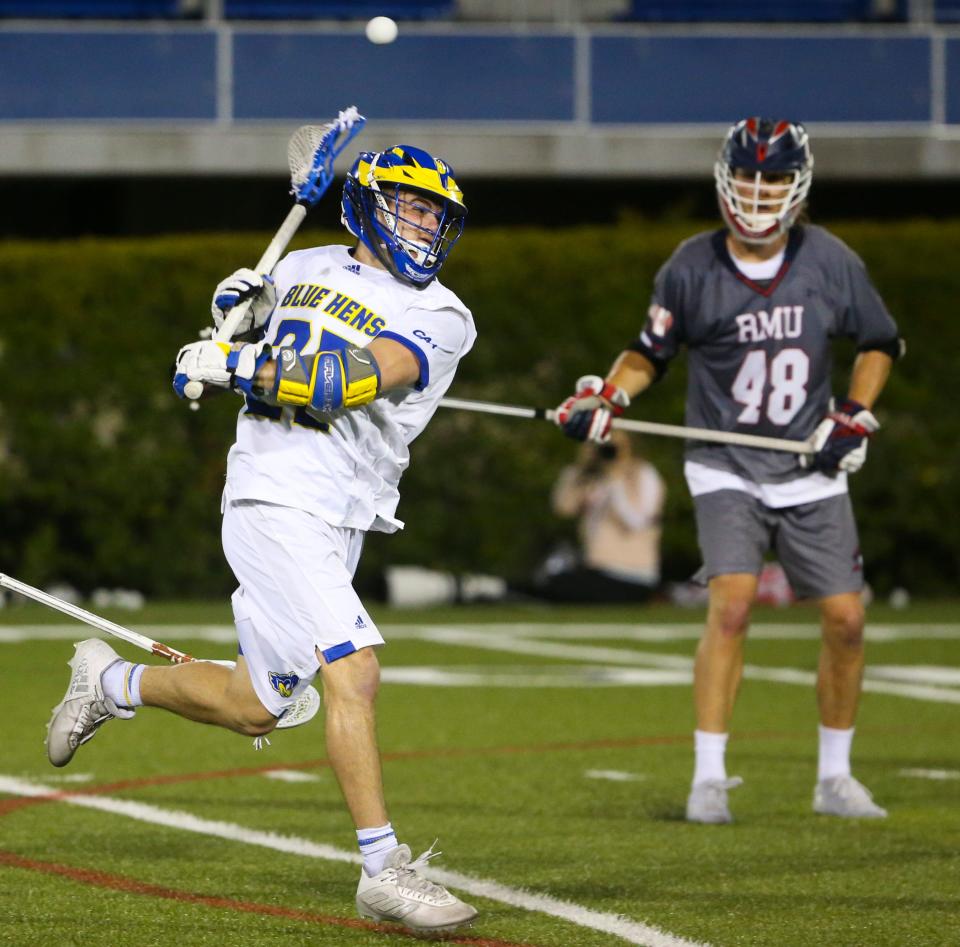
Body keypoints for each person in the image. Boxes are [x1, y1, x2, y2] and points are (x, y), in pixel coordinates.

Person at [45, 144, 480, 931]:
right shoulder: (302, 263)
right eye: (412, 207)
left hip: (342, 511)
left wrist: (231, 359)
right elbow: (228, 330)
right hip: (272, 496)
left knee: (259, 705)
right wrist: (229, 314)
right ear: (369, 206)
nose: (424, 224)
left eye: (435, 215)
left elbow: (343, 381)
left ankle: (108, 683)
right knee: (355, 670)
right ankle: (384, 869)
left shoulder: (444, 314)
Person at [555, 117, 903, 824]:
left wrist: (852, 412)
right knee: (734, 601)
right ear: (725, 178)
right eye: (747, 175)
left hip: (807, 460)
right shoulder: (690, 265)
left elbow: (879, 341)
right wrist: (609, 395)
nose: (757, 190)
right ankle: (708, 776)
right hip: (725, 461)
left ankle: (834, 777)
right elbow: (648, 350)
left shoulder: (830, 260)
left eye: (773, 177)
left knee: (846, 620)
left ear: (797, 186)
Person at [535, 431, 666, 602]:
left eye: (615, 445)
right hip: (596, 570)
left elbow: (636, 522)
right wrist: (582, 467)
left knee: (558, 588)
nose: (609, 449)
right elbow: (562, 508)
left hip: (632, 574)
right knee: (552, 582)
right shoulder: (593, 476)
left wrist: (615, 482)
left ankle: (506, 592)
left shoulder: (643, 473)